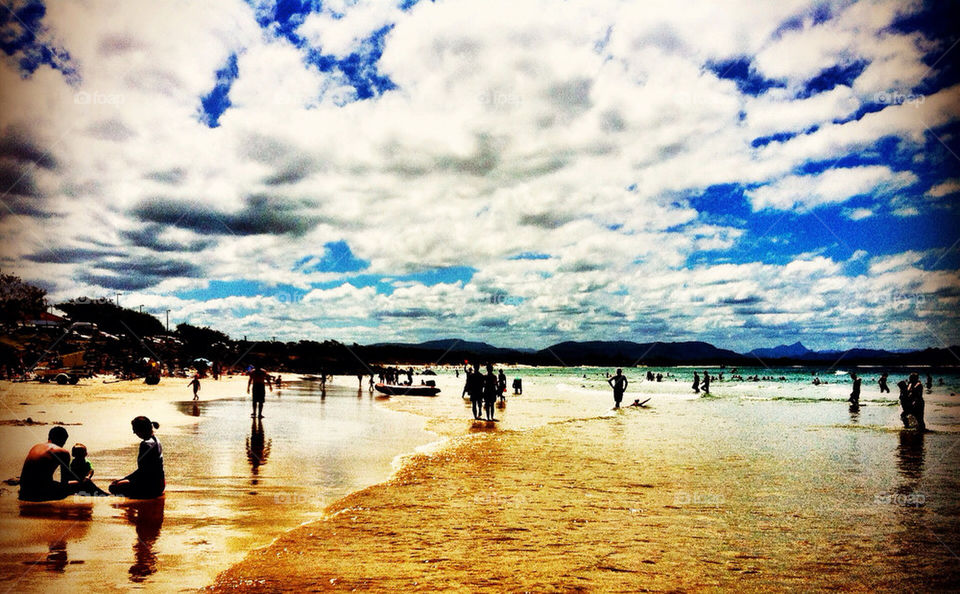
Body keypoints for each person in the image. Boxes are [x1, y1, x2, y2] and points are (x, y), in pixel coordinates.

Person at [109, 416, 165, 499]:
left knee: (113, 487)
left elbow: (143, 471)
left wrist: (123, 480)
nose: (134, 432)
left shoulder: (146, 445)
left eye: (134, 430)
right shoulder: (156, 440)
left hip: (152, 486)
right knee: (120, 483)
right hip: (161, 484)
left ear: (141, 430)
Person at [18, 426, 74, 501]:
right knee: (85, 484)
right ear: (62, 440)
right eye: (64, 442)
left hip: (24, 490)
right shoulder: (62, 452)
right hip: (40, 492)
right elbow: (64, 481)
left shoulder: (36, 446)